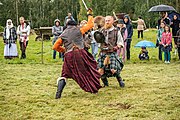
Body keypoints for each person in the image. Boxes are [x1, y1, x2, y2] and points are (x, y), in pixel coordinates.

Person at [53, 9, 102, 99]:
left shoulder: (63, 34)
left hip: (69, 55)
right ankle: (93, 88)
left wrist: (64, 50)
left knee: (64, 75)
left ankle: (58, 94)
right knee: (88, 70)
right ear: (75, 25)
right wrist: (90, 14)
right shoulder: (79, 30)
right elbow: (90, 25)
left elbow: (55, 47)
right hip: (80, 53)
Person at [97, 16, 125, 88]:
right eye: (106, 20)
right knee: (100, 70)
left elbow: (121, 42)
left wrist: (117, 46)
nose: (107, 22)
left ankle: (120, 80)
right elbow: (97, 42)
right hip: (103, 53)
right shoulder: (101, 31)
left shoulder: (116, 31)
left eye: (109, 20)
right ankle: (105, 84)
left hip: (111, 53)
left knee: (113, 69)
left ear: (112, 21)